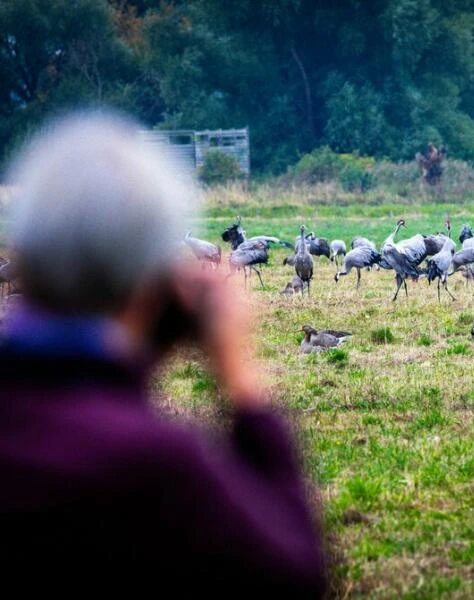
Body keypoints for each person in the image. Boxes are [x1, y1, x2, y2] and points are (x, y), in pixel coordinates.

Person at [0, 114, 325, 594]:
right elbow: (294, 573)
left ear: (24, 253)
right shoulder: (152, 462)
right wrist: (239, 380)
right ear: (159, 283)